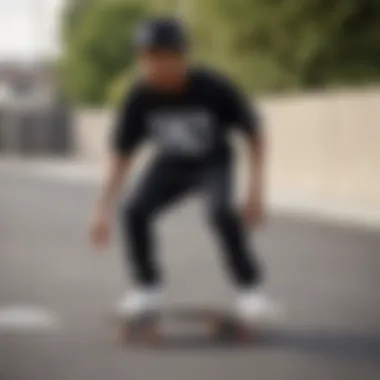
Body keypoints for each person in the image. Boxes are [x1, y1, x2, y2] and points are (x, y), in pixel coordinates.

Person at [90, 17, 275, 322]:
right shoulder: (140, 96)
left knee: (221, 212)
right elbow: (121, 157)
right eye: (145, 58)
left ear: (179, 57)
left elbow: (255, 133)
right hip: (169, 164)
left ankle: (250, 290)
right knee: (134, 211)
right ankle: (146, 289)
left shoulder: (213, 87)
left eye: (158, 58)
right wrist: (102, 210)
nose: (151, 66)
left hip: (212, 161)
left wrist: (256, 191)